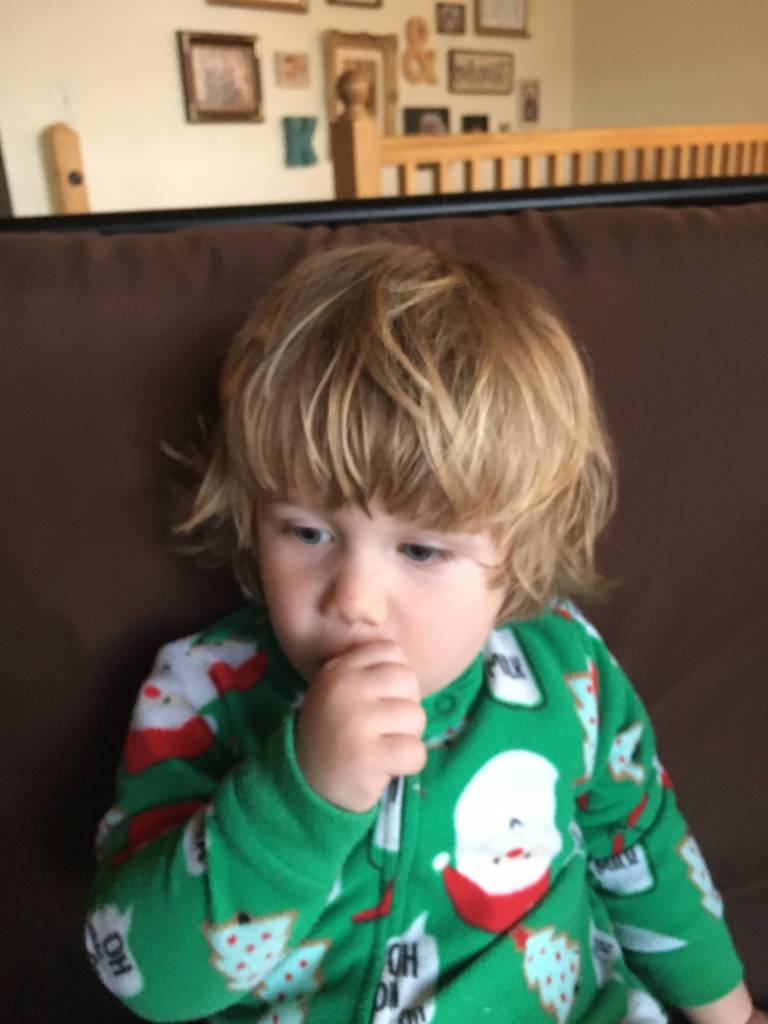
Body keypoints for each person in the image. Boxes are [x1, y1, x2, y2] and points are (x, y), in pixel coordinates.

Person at [85, 243, 765, 1024]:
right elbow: (146, 980)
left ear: (519, 554)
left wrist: (729, 1014)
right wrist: (302, 796)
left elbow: (641, 851)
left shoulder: (565, 671)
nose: (355, 600)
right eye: (306, 533)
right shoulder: (202, 690)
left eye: (421, 551)